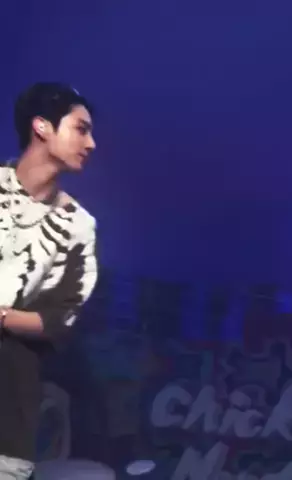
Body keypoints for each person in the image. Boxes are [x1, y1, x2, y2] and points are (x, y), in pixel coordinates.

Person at [0, 82, 98, 478]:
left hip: (7, 416)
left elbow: (61, 319)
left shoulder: (78, 226)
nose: (91, 143)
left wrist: (4, 317)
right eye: (81, 129)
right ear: (42, 127)